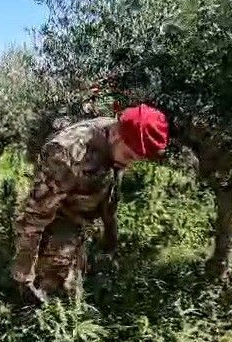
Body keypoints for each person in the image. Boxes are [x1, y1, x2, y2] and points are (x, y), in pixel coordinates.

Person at [12, 104, 169, 303]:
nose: (129, 164)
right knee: (53, 292)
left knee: (72, 284)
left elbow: (109, 189)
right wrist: (24, 274)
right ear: (116, 136)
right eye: (129, 156)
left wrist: (110, 239)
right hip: (59, 219)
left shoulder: (117, 139)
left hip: (80, 220)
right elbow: (34, 217)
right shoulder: (66, 154)